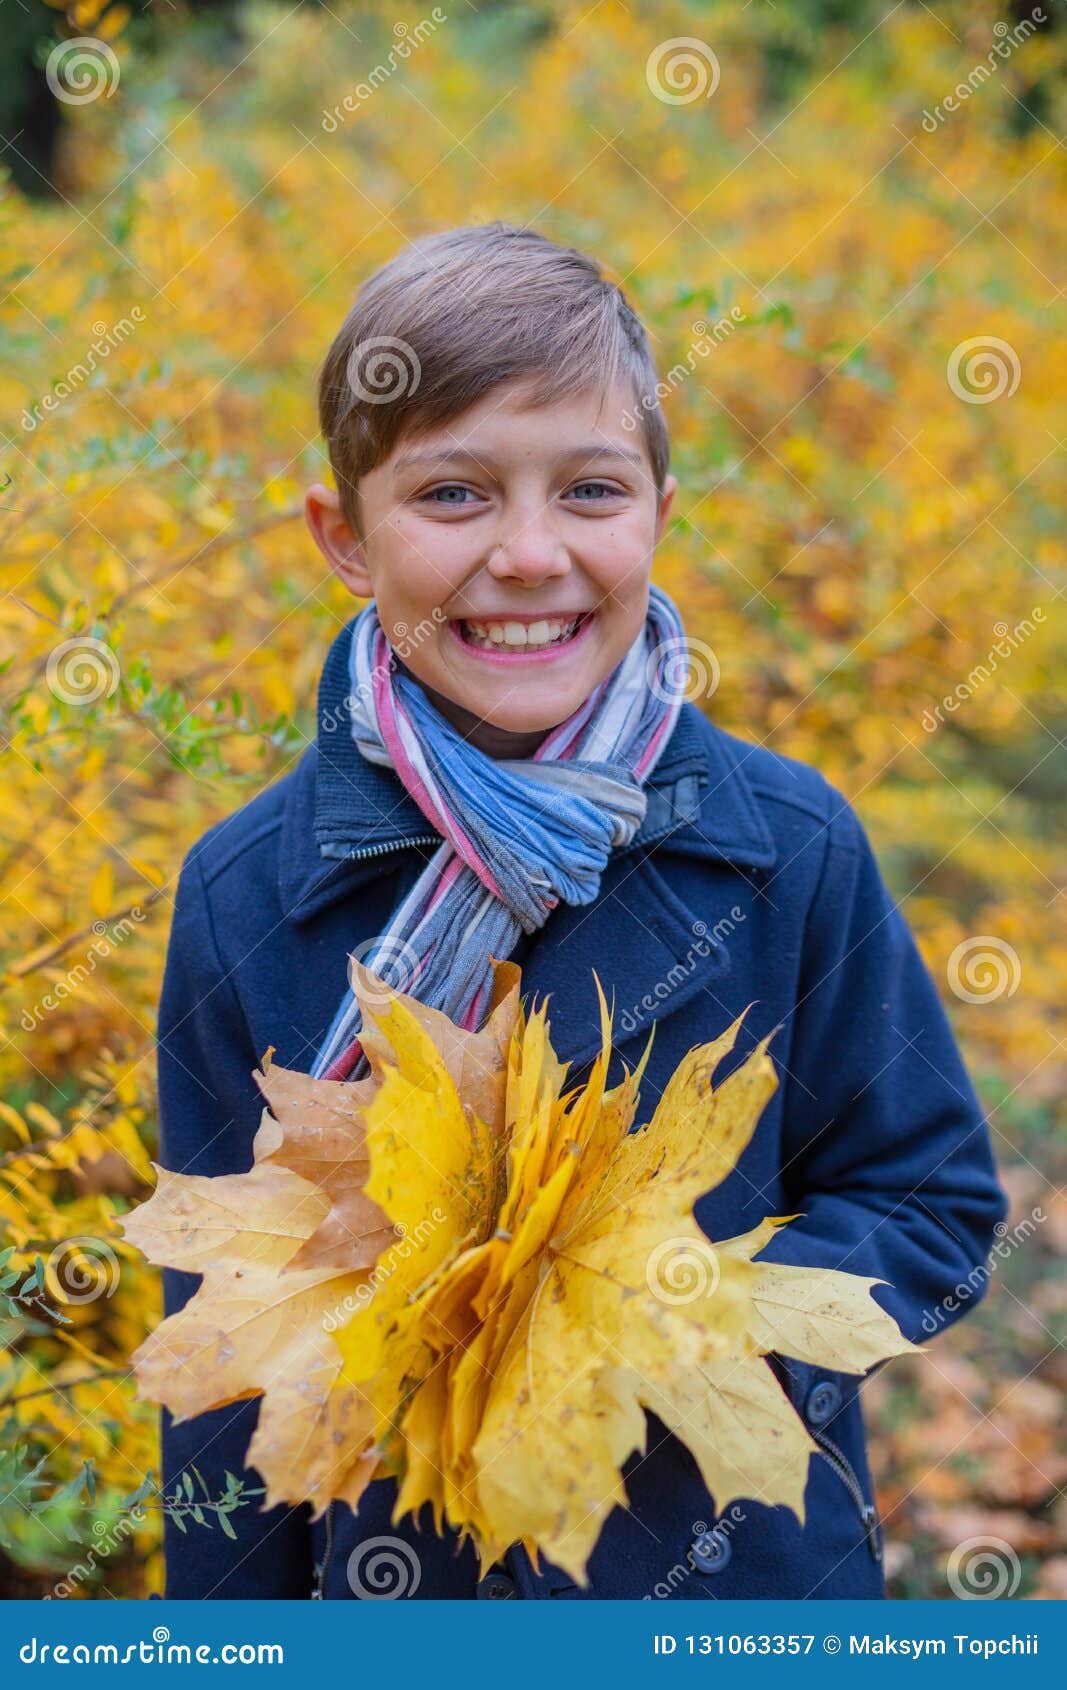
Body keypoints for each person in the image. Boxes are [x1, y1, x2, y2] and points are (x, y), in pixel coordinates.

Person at [156, 222, 1007, 1600]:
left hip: (738, 1589)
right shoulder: (251, 889)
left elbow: (929, 1199)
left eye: (591, 489)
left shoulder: (785, 850)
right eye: (453, 495)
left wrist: (672, 1318)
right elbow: (220, 1332)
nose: (532, 553)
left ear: (661, 513)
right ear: (345, 537)